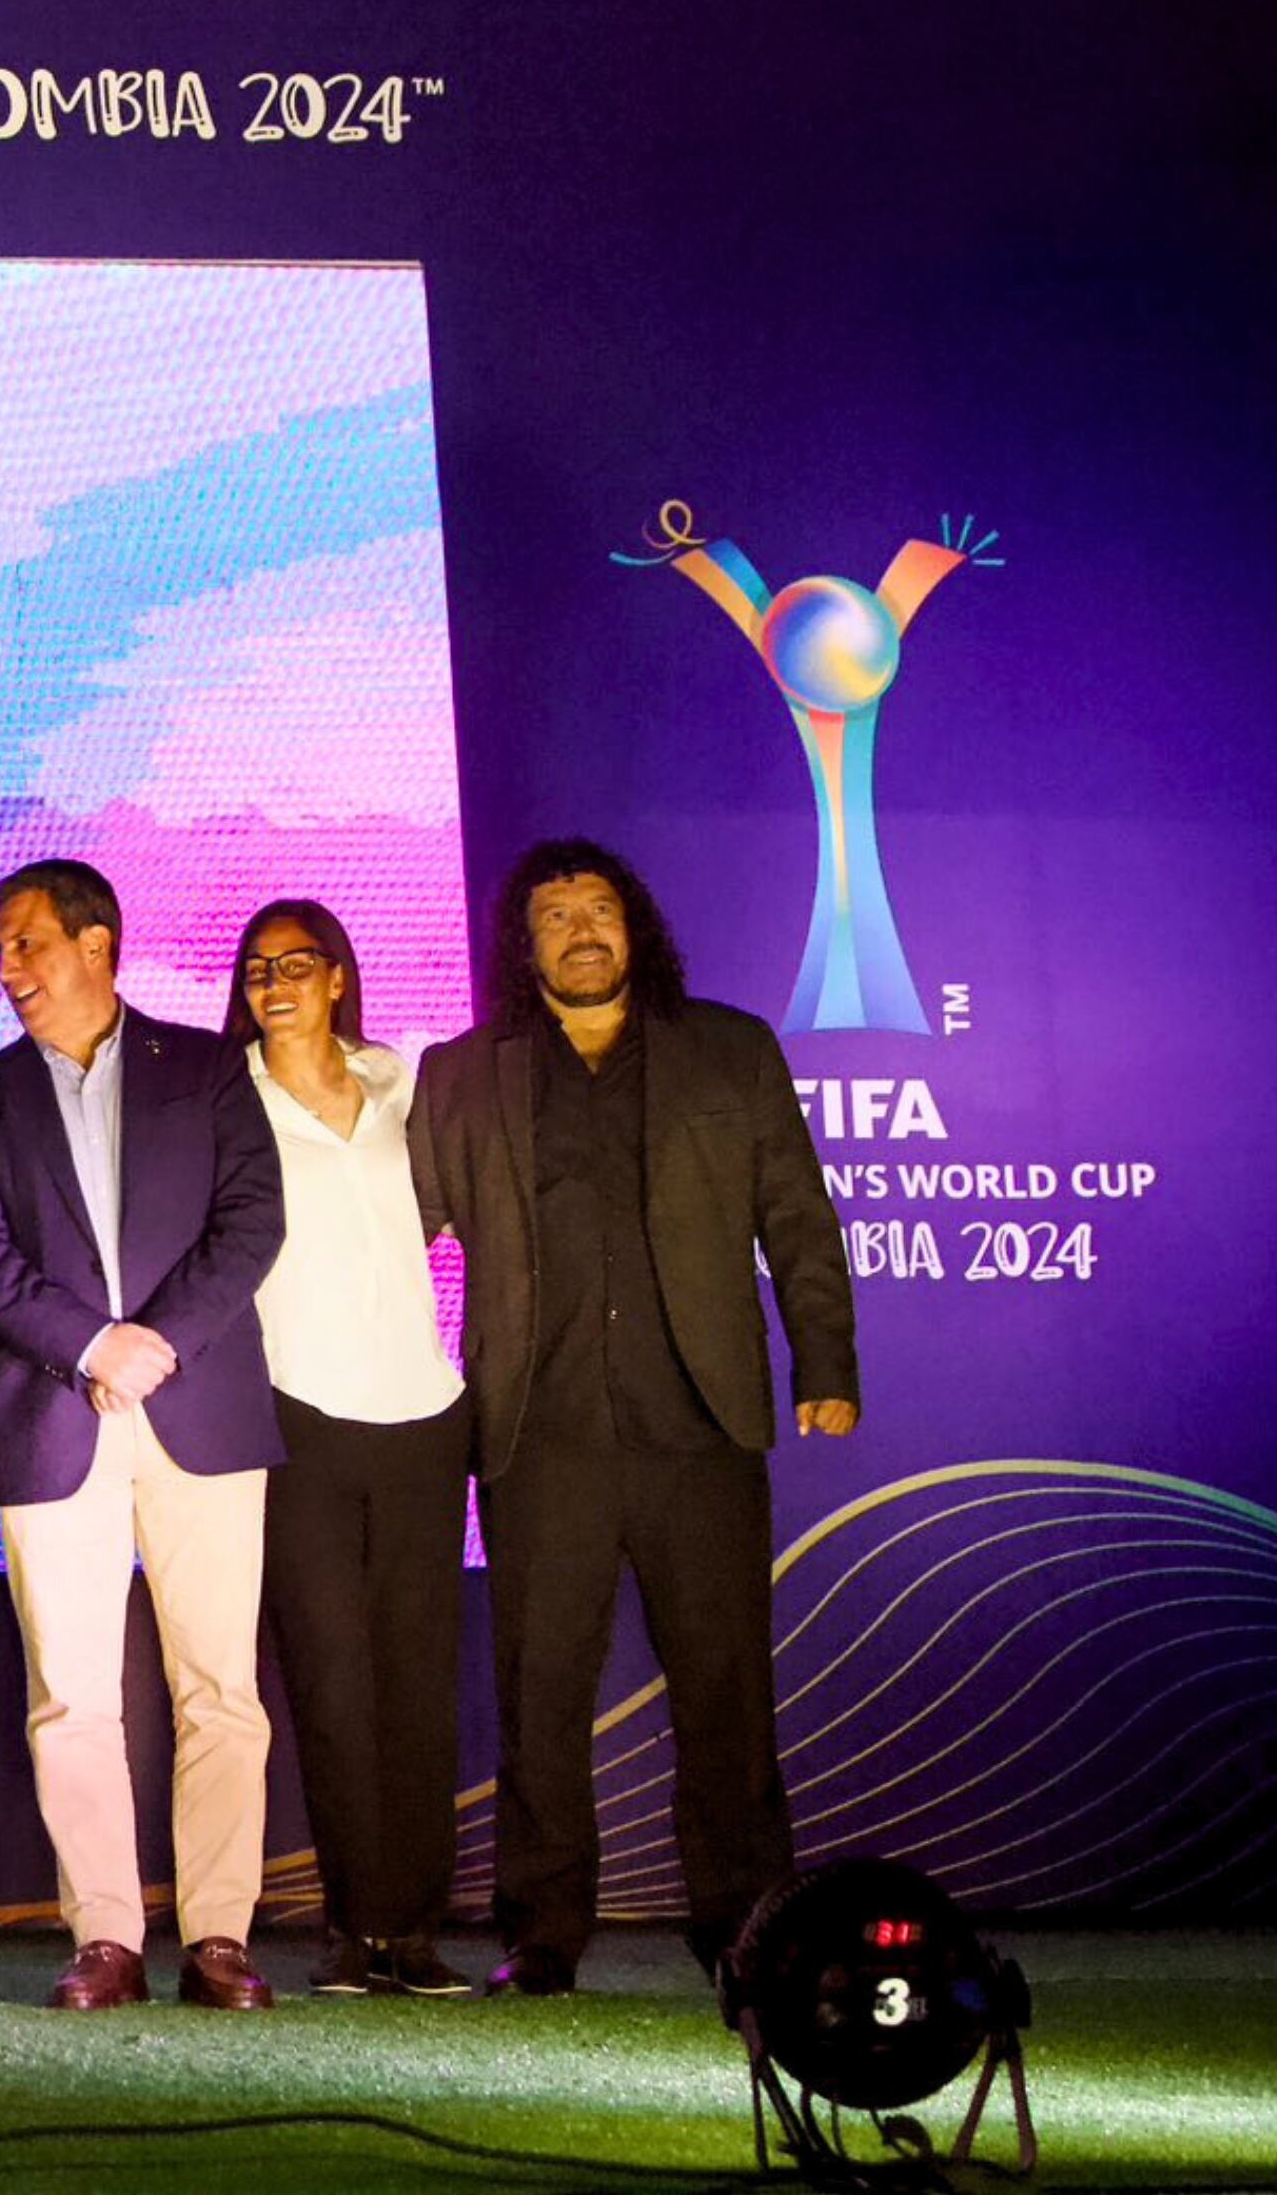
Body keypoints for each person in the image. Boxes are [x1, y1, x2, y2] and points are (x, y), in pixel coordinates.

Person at [410, 839, 857, 1995]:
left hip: (698, 1429)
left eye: (599, 907)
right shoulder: (463, 1075)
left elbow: (797, 1217)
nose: (580, 929)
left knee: (725, 1694)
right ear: (525, 945)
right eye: (553, 915)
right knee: (539, 1697)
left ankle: (747, 1925)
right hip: (534, 1435)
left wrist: (826, 1359)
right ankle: (542, 1933)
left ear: (636, 923)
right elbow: (385, 1220)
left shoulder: (728, 1052)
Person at [0, 859, 286, 2011]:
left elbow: (251, 1222)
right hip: (54, 1412)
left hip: (200, 1407)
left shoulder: (200, 1065)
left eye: (27, 943)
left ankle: (221, 1935)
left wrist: (156, 1343)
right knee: (72, 1693)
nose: (8, 968)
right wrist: (93, 1348)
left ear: (96, 945)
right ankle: (105, 1935)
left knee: (217, 1688)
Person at [223, 900, 473, 1998]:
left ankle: (415, 1928)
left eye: (295, 963)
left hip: (423, 1413)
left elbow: (437, 1214)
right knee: (329, 1680)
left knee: (416, 1678)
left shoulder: (399, 1084)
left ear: (336, 976)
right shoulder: (228, 1098)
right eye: (255, 968)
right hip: (298, 1415)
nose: (272, 983)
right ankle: (355, 1925)